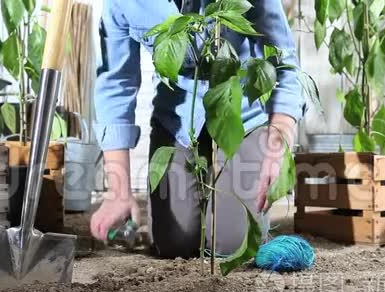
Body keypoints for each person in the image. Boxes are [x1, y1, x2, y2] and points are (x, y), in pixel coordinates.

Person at [90, 0, 304, 258]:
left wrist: (279, 138)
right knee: (175, 243)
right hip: (179, 120)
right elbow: (116, 81)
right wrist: (118, 190)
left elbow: (283, 61)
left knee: (232, 244)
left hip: (240, 113)